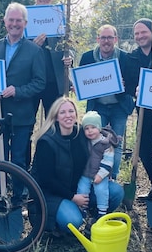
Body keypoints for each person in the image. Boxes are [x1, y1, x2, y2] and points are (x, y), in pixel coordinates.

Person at [31, 97, 124, 233]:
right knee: (73, 220)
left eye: (71, 111)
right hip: (51, 194)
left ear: (76, 114)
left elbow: (100, 147)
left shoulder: (81, 133)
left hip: (79, 187)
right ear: (56, 117)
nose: (68, 115)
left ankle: (94, 219)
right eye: (62, 112)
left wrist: (104, 171)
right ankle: (57, 225)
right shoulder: (47, 142)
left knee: (115, 192)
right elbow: (46, 180)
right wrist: (73, 197)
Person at [0, 2, 46, 172]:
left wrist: (18, 91)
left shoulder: (34, 51)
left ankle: (17, 196)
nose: (14, 24)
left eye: (18, 20)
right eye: (11, 20)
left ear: (25, 23)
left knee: (18, 160)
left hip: (22, 116)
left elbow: (40, 82)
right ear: (5, 21)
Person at [79, 24, 135, 179]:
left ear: (115, 39)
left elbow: (132, 84)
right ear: (98, 39)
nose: (106, 41)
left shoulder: (125, 58)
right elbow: (83, 82)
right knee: (96, 142)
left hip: (119, 107)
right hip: (98, 107)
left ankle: (113, 179)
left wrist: (124, 86)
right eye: (103, 37)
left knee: (115, 144)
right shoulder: (87, 57)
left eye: (110, 37)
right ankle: (95, 177)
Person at [125, 18, 152, 198]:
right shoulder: (132, 58)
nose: (140, 36)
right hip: (144, 112)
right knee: (144, 150)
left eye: (143, 32)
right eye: (137, 33)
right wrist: (135, 90)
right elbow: (128, 84)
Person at [30, 0, 73, 114]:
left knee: (55, 122)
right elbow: (18, 47)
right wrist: (32, 46)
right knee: (28, 122)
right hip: (31, 81)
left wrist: (69, 56)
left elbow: (70, 44)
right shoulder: (26, 17)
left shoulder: (60, 17)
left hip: (55, 81)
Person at [77, 111, 119, 221]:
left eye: (93, 127)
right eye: (86, 128)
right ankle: (82, 209)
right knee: (82, 189)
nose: (90, 131)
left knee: (102, 191)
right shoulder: (84, 141)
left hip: (99, 174)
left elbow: (108, 161)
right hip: (85, 173)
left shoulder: (105, 144)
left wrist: (101, 175)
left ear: (99, 128)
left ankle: (102, 212)